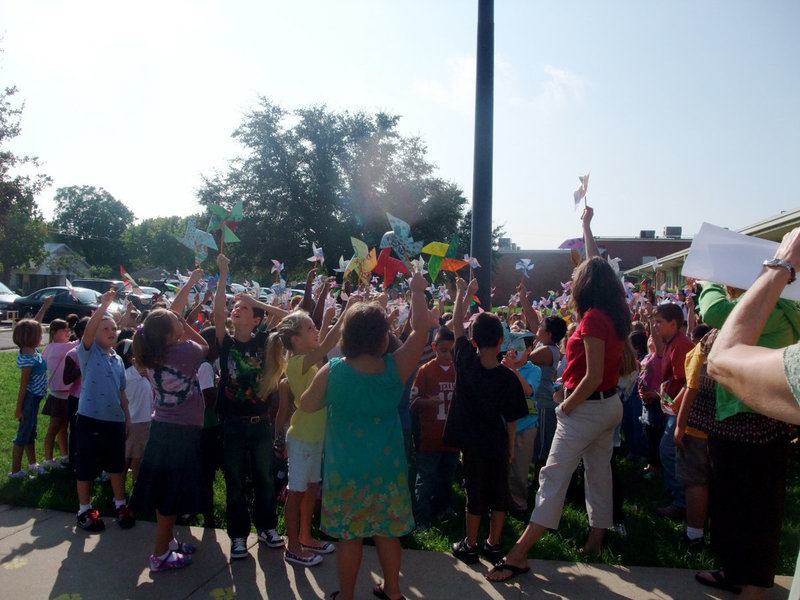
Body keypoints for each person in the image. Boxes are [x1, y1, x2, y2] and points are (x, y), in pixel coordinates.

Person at [487, 205, 630, 582]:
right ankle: (596, 539)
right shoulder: (613, 310)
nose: (577, 273)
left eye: (579, 273)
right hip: (607, 406)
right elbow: (601, 269)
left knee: (552, 477)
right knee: (599, 473)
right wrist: (586, 228)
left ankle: (519, 553)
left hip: (587, 407)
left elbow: (593, 374)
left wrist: (566, 405)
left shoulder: (595, 318)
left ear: (587, 285)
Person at [299, 271, 435, 600]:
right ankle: (393, 591)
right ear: (382, 336)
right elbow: (420, 330)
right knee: (388, 534)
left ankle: (346, 596)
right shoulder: (396, 367)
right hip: (387, 470)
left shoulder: (333, 372)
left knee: (350, 537)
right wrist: (417, 290)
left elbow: (306, 406)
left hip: (345, 472)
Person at [694, 270, 800, 598]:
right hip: (742, 421)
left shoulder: (768, 310)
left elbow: (713, 311)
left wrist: (707, 275)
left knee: (755, 509)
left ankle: (752, 587)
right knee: (732, 504)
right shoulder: (781, 308)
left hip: (754, 424)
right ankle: (735, 572)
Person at [443, 277, 527, 567]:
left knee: (474, 493)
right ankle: (493, 544)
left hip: (472, 443)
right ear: (502, 340)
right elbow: (514, 415)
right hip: (497, 442)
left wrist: (465, 295)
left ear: (474, 340)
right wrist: (512, 446)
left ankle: (471, 543)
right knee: (499, 493)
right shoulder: (507, 377)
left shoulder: (465, 360)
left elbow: (456, 323)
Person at [130, 269, 209, 571]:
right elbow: (205, 346)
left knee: (166, 490)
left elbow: (165, 318)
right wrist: (187, 324)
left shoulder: (151, 351)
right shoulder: (186, 351)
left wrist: (188, 286)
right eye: (176, 323)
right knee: (171, 493)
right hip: (181, 434)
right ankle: (160, 553)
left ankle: (169, 542)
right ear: (171, 332)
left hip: (162, 429)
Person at [215, 253, 289, 560]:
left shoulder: (266, 342)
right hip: (231, 424)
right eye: (236, 307)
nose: (236, 310)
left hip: (260, 423)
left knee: (264, 478)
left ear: (256, 320)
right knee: (234, 482)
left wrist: (257, 301)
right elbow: (218, 312)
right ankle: (238, 536)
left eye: (244, 309)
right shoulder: (226, 343)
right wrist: (222, 276)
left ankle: (268, 527)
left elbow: (288, 317)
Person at [266, 303, 352, 567]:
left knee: (311, 488)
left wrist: (325, 321)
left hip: (315, 437)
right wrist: (347, 311)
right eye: (310, 328)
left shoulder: (307, 358)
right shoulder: (297, 363)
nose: (315, 331)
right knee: (296, 491)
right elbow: (326, 346)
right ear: (296, 339)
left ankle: (305, 536)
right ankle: (292, 545)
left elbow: (321, 347)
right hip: (302, 437)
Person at [74, 290, 134, 532]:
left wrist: (127, 418)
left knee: (117, 466)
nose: (111, 332)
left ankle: (120, 504)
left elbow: (122, 392)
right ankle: (85, 510)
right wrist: (104, 307)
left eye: (113, 329)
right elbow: (89, 332)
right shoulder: (89, 353)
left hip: (115, 421)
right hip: (91, 419)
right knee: (87, 466)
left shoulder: (117, 359)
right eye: (105, 328)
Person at [409, 326, 458, 531]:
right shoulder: (425, 370)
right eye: (443, 350)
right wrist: (428, 402)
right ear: (434, 347)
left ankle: (443, 507)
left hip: (453, 437)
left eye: (451, 351)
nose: (448, 355)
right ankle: (422, 517)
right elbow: (413, 402)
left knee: (447, 477)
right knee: (426, 478)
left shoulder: (459, 370)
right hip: (430, 437)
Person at [652, 303, 694, 519]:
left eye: (659, 322)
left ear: (673, 324)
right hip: (672, 407)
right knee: (669, 452)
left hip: (679, 410)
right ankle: (677, 497)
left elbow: (688, 383)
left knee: (668, 452)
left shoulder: (681, 345)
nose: (655, 326)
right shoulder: (670, 342)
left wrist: (675, 407)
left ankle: (681, 502)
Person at [9, 297, 54, 479]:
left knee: (31, 432)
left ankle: (32, 464)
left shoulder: (30, 350)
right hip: (29, 399)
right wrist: (19, 408)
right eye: (40, 333)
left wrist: (45, 306)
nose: (42, 334)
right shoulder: (28, 359)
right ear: (32, 337)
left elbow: (33, 323)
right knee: (23, 435)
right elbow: (23, 386)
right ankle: (16, 471)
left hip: (35, 398)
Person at [503, 340, 542, 519]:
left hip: (526, 426)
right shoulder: (501, 366)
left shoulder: (534, 370)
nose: (513, 352)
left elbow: (528, 390)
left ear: (528, 350)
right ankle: (499, 502)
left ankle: (519, 505)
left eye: (519, 348)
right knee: (501, 467)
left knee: (520, 469)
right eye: (511, 347)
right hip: (503, 425)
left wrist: (513, 371)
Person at [41, 317, 78, 469]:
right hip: (58, 395)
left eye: (69, 330)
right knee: (55, 428)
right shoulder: (59, 347)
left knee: (63, 427)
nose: (68, 332)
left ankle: (64, 455)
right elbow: (80, 343)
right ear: (54, 332)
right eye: (65, 330)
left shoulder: (49, 347)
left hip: (63, 393)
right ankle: (48, 459)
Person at [117, 339, 153, 487]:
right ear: (130, 357)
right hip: (135, 421)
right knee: (130, 458)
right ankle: (123, 490)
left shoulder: (143, 374)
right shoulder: (129, 376)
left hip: (144, 421)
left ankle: (136, 489)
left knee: (138, 458)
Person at [63, 317, 89, 469]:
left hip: (92, 398)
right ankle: (74, 463)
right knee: (76, 432)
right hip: (77, 398)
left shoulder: (100, 350)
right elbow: (66, 379)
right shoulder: (73, 354)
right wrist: (81, 368)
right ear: (81, 332)